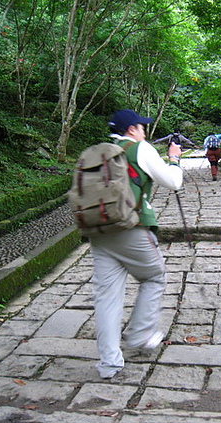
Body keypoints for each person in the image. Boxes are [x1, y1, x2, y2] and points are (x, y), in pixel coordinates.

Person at [91, 109, 183, 380]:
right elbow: (173, 182)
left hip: (99, 229)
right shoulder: (140, 148)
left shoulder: (100, 150)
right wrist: (174, 159)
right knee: (154, 276)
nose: (145, 130)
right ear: (132, 129)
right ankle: (140, 334)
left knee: (106, 297)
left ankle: (109, 363)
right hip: (132, 227)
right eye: (142, 126)